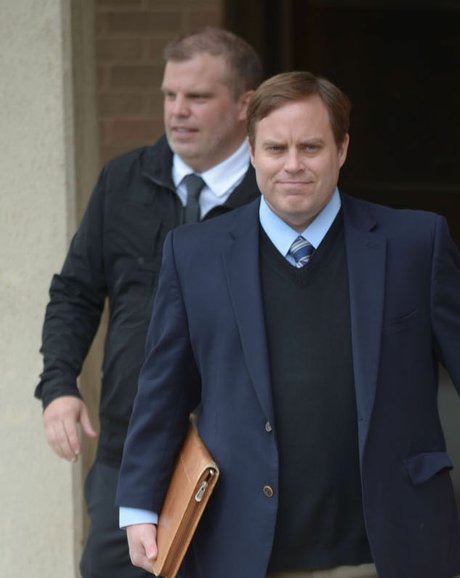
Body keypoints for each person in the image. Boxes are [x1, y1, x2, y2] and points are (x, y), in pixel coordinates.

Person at [116, 71, 460, 578]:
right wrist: (141, 505)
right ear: (252, 153)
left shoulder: (414, 243)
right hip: (246, 546)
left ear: (342, 149)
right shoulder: (195, 253)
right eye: (276, 148)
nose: (293, 165)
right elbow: (162, 389)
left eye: (311, 147)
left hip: (387, 546)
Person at [34, 28, 263, 578]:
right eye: (169, 95)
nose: (178, 112)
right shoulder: (123, 181)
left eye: (199, 97)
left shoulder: (272, 196)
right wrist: (59, 386)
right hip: (129, 446)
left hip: (241, 456)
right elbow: (76, 292)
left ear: (244, 106)